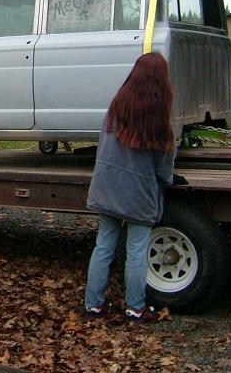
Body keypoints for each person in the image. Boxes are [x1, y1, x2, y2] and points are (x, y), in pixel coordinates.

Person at [84, 52, 176, 324]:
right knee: (136, 252)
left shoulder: (116, 106)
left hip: (108, 184)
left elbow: (103, 143)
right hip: (138, 191)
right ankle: (136, 308)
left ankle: (93, 305)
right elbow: (163, 162)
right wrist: (166, 179)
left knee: (103, 246)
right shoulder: (159, 117)